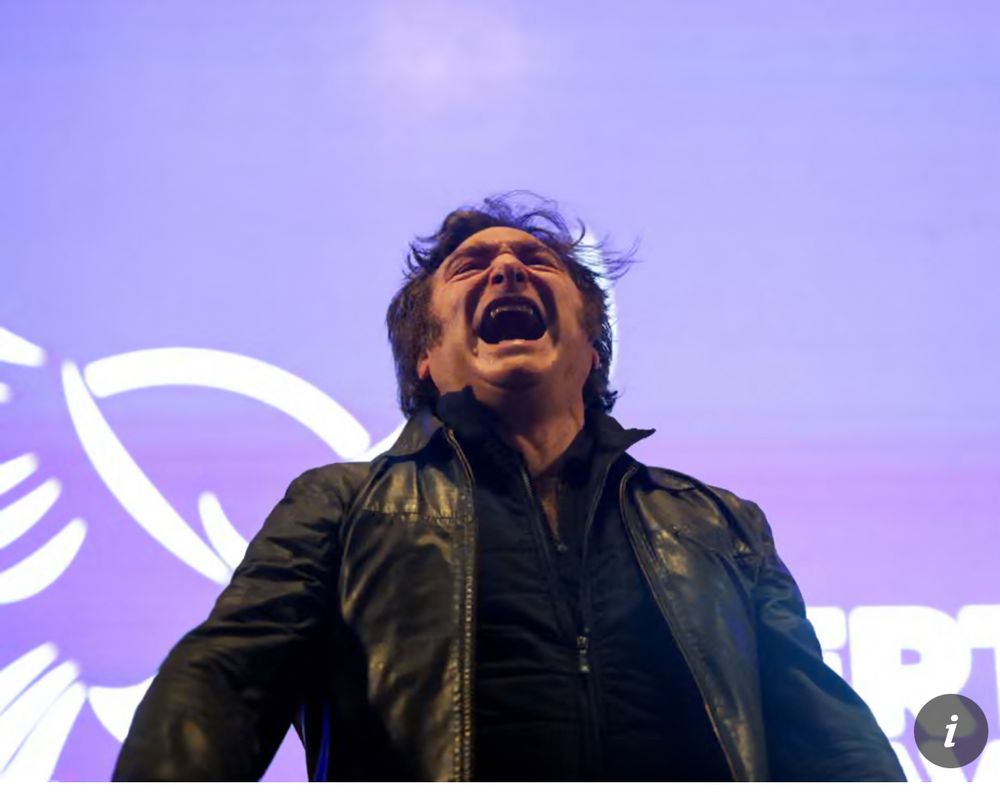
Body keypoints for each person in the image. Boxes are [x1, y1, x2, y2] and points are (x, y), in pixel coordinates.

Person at [113, 193, 905, 781]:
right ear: (426, 358)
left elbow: (833, 746)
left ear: (592, 348)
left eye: (537, 261)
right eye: (471, 266)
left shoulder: (719, 526)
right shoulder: (342, 507)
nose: (505, 267)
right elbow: (223, 681)